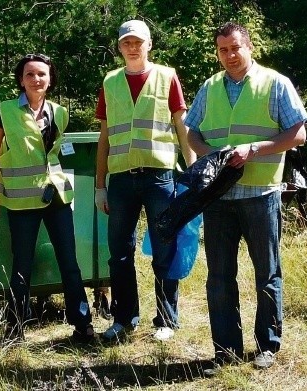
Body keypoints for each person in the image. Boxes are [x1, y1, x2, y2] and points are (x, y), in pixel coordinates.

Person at [185, 21, 307, 372]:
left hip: (260, 193)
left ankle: (267, 345)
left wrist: (255, 149)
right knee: (219, 275)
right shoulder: (209, 88)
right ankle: (225, 351)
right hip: (219, 197)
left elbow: (297, 134)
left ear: (249, 47)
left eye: (235, 48)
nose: (230, 55)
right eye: (223, 50)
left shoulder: (275, 83)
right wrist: (211, 156)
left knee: (266, 272)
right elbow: (192, 133)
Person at [94, 20, 195, 342]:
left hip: (160, 178)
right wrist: (99, 185)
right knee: (119, 254)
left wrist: (193, 177)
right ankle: (124, 320)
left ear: (149, 44)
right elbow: (105, 136)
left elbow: (182, 127)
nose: (132, 47)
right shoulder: (110, 82)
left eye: (138, 41)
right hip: (121, 180)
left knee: (165, 248)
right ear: (120, 47)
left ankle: (166, 319)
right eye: (126, 42)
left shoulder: (167, 77)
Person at [0, 53, 94, 342]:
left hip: (56, 196)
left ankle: (83, 326)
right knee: (22, 264)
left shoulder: (60, 112)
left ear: (50, 79)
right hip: (21, 201)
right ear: (21, 80)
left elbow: (54, 153)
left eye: (42, 74)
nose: (36, 79)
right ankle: (15, 330)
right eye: (30, 74)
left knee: (69, 261)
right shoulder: (6, 110)